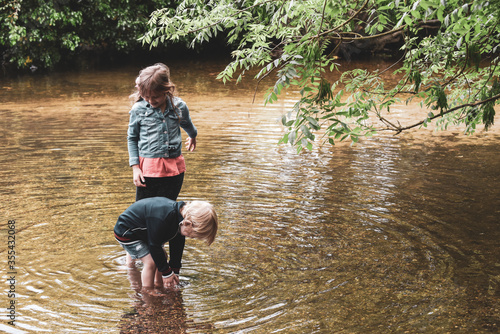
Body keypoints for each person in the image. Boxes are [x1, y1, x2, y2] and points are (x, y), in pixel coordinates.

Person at [114, 197, 218, 293]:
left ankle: (160, 284)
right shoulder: (163, 218)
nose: (192, 238)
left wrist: (174, 270)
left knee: (162, 256)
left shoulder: (180, 219)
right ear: (187, 223)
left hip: (144, 231)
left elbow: (177, 246)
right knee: (151, 262)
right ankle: (148, 291)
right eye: (192, 235)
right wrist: (166, 272)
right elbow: (154, 246)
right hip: (127, 232)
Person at [128, 63, 197, 202]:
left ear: (166, 90)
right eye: (146, 96)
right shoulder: (138, 109)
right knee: (143, 210)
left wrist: (193, 136)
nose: (151, 100)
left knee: (168, 208)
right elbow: (132, 138)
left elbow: (187, 124)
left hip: (173, 168)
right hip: (147, 169)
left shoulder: (179, 107)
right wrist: (136, 168)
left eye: (155, 96)